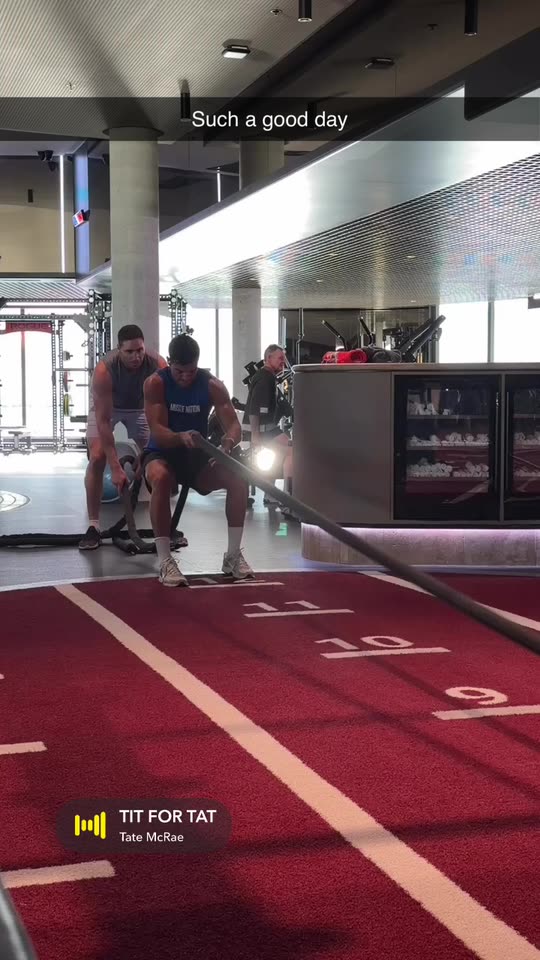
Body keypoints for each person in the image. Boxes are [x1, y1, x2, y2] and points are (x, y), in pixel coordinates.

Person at [142, 334, 254, 587]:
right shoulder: (155, 383)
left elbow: (234, 427)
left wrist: (227, 443)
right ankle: (165, 561)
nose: (185, 377)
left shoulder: (212, 385)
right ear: (169, 362)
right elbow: (157, 431)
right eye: (179, 371)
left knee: (238, 479)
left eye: (191, 371)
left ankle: (233, 556)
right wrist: (180, 436)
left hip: (197, 453)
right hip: (162, 452)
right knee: (161, 477)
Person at [79, 324, 167, 550]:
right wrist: (116, 467)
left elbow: (162, 408)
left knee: (157, 459)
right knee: (97, 457)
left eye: (139, 350)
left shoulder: (158, 365)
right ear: (119, 350)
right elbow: (103, 421)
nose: (136, 356)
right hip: (109, 409)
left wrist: (149, 455)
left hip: (140, 409)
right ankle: (93, 526)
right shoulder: (104, 370)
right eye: (129, 352)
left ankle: (164, 528)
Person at [242, 344, 293, 497]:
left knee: (280, 453)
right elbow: (254, 409)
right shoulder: (265, 378)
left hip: (268, 429)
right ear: (269, 358)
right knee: (294, 451)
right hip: (263, 431)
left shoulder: (268, 377)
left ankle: (270, 495)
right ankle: (288, 496)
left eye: (283, 359)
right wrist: (255, 437)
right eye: (280, 358)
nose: (282, 362)